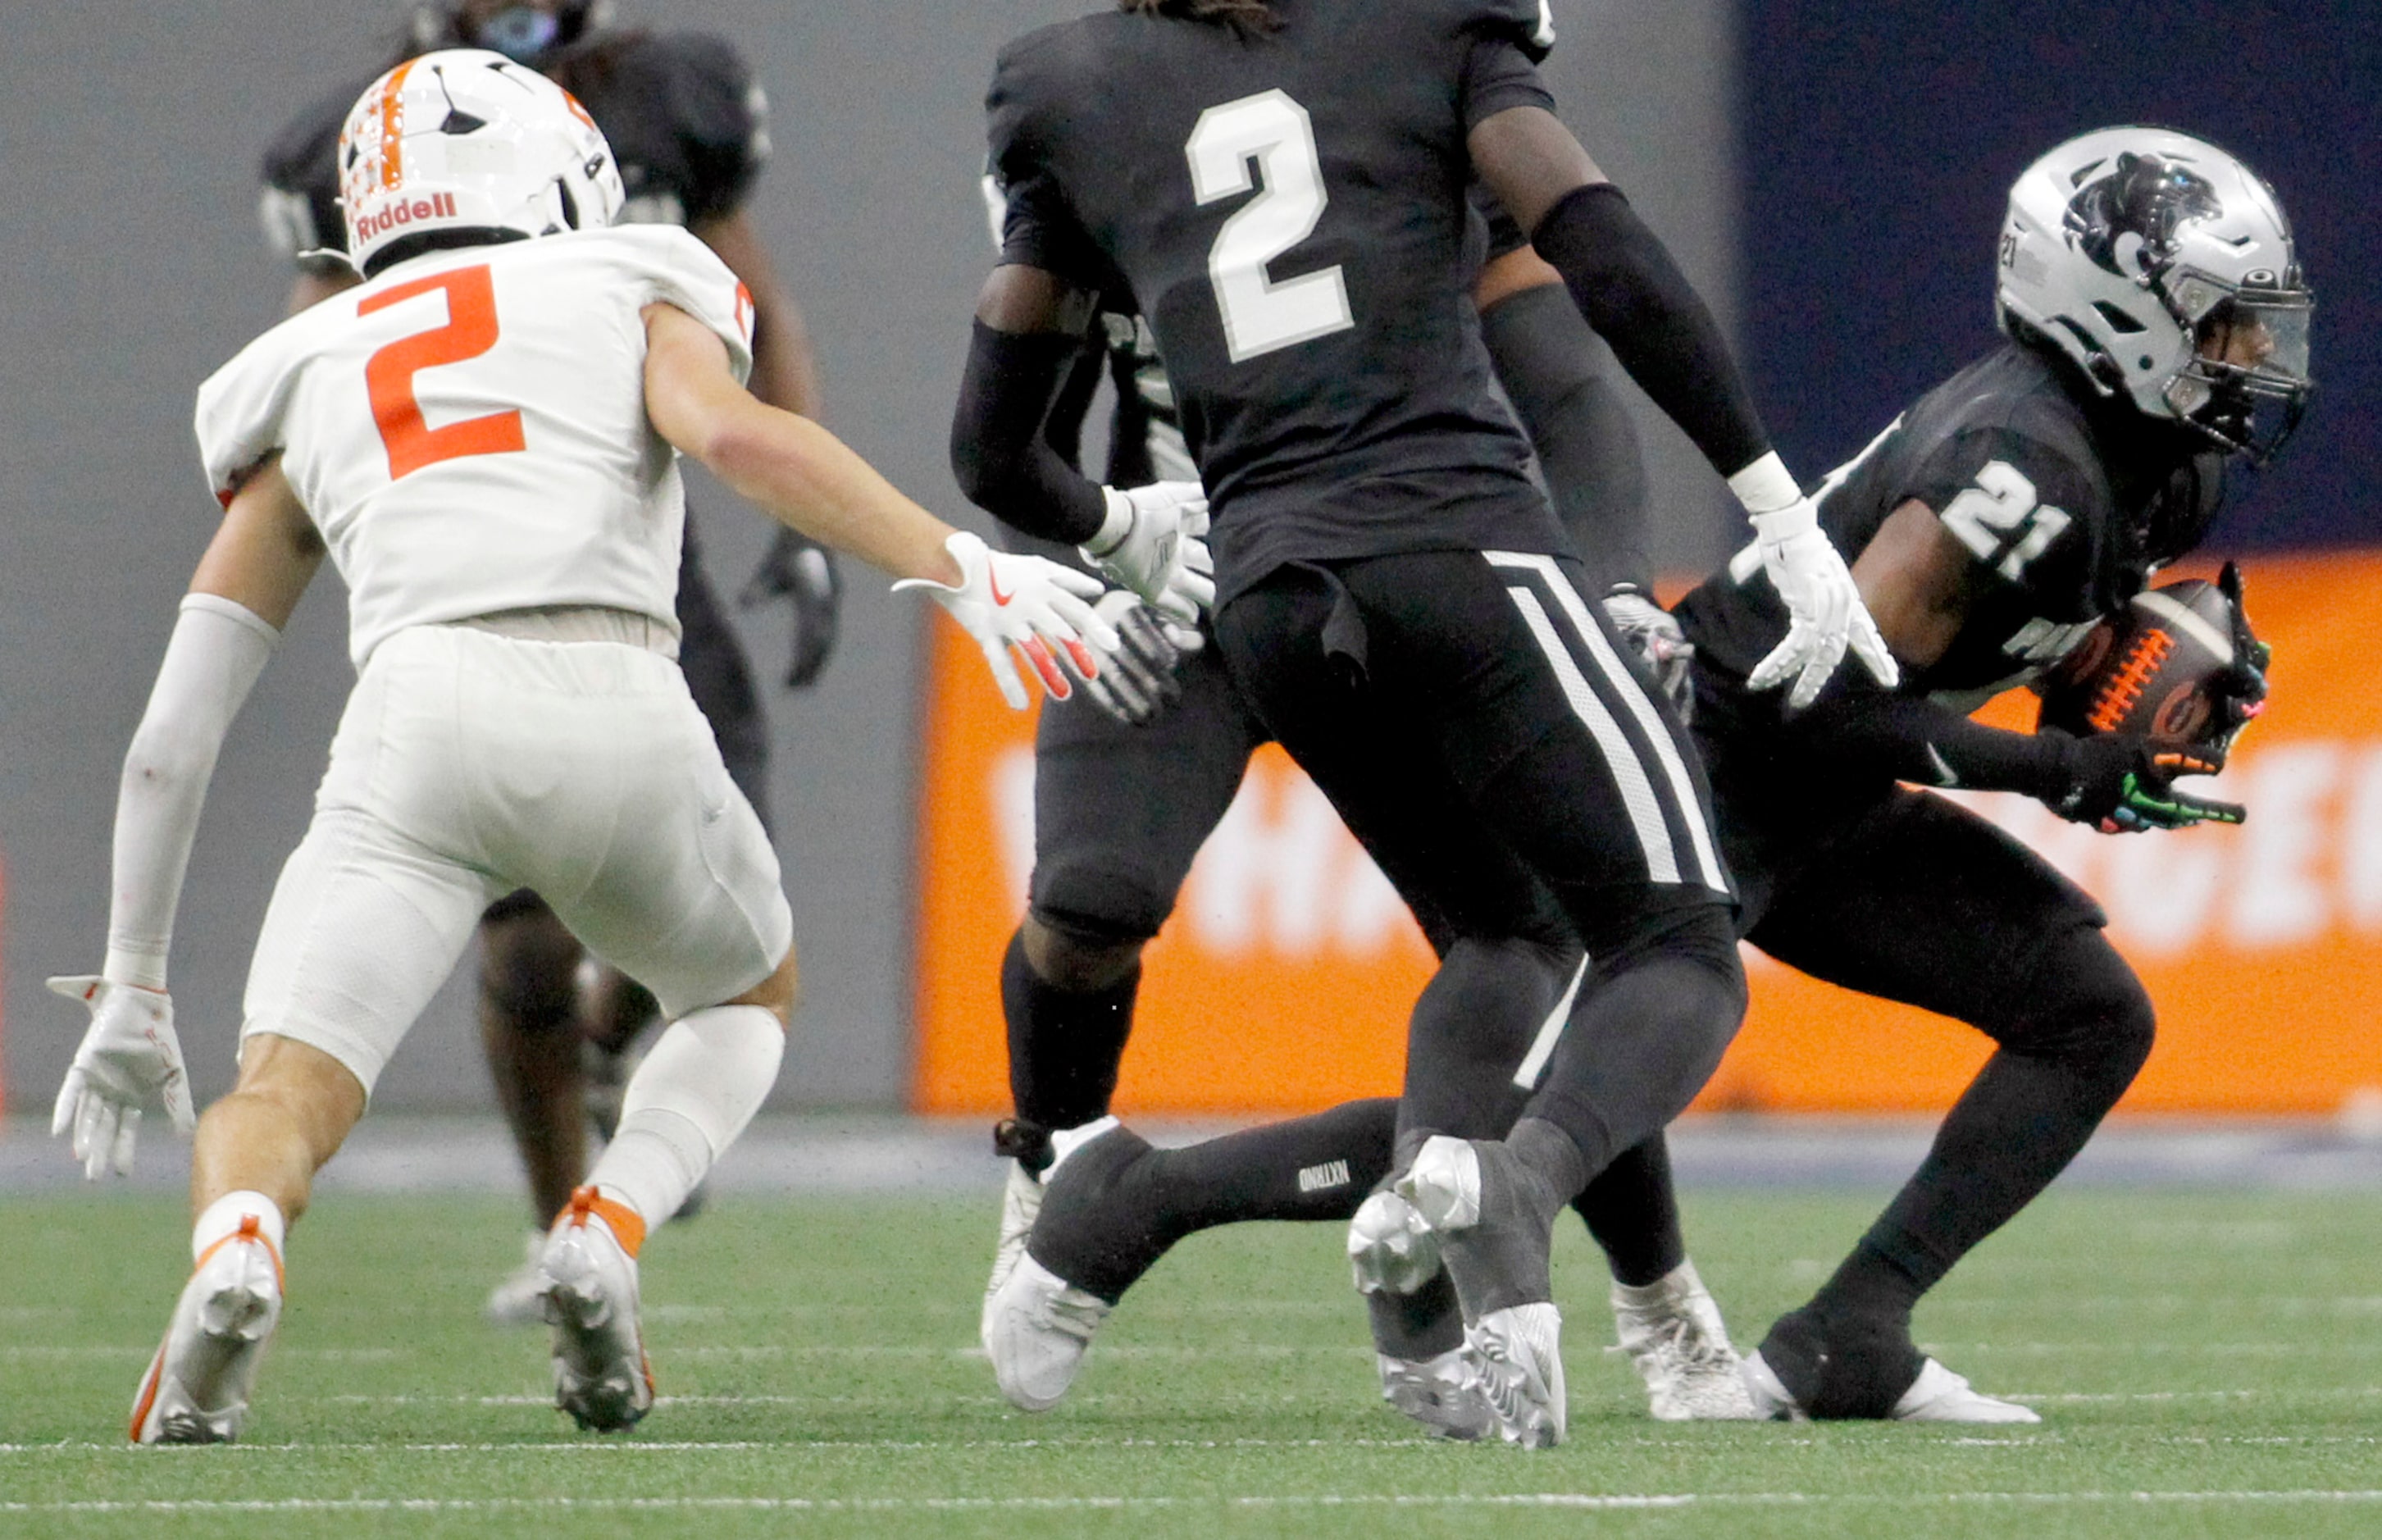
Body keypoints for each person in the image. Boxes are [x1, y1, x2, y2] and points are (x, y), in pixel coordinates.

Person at [1000, 123, 2309, 1427]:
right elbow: (1819, 699)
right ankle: (1134, 1199)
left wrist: (2116, 673)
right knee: (1506, 1126)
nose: (2248, 357)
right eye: (2219, 325)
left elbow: (1944, 667)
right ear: (2111, 311)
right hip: (1706, 757)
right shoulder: (2018, 471)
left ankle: (1849, 1333)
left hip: (1816, 793)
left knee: (2087, 1010)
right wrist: (2058, 764)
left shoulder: (2157, 469)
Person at [48, 52, 1116, 1444]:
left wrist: (132, 983)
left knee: (281, 1091)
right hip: (620, 688)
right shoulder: (630, 278)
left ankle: (239, 1238)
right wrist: (960, 567)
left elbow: (173, 733)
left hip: (417, 718)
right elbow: (737, 433)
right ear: (560, 177)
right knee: (742, 998)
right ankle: (604, 1225)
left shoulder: (307, 363)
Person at [951, 0, 1892, 1448]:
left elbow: (987, 443)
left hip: (1265, 581)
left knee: (1512, 937)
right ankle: (1504, 1197)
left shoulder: (1065, 85)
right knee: (1673, 940)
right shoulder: (1419, 38)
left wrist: (1117, 527)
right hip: (1435, 546)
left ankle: (1319, 1278)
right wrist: (1769, 496)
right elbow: (1606, 249)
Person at [257, 0, 838, 1321]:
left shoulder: (667, 93)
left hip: (635, 550)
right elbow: (294, 372)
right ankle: (560, 1220)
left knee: (693, 885)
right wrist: (283, 551)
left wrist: (804, 533)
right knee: (523, 950)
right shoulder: (362, 135)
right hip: (461, 563)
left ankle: (616, 1044)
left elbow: (750, 307)